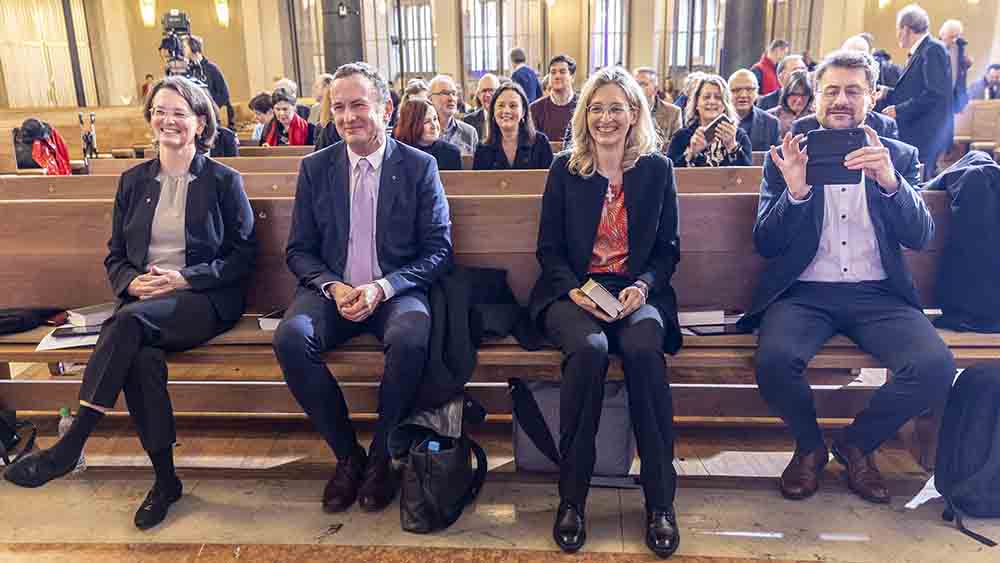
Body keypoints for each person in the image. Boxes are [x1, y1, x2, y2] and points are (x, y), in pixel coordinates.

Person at [3, 76, 257, 530]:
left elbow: (242, 258)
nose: (167, 120)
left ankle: (71, 443)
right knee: (138, 355)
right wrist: (132, 284)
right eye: (160, 111)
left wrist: (183, 277)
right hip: (143, 307)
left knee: (125, 327)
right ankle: (165, 481)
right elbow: (116, 255)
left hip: (203, 300)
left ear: (200, 122)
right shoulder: (133, 180)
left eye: (179, 112)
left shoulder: (223, 181)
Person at [746, 50, 955, 505]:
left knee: (935, 366)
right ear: (815, 98)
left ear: (873, 97)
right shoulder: (787, 154)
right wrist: (796, 194)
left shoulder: (898, 155)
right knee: (774, 361)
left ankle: (858, 442)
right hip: (804, 293)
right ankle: (809, 447)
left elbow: (918, 235)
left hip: (878, 294)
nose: (841, 99)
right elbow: (765, 242)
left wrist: (890, 182)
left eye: (853, 91)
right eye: (832, 90)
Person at [273, 62, 452, 516]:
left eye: (358, 105)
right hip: (331, 290)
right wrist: (333, 286)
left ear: (385, 108)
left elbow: (437, 250)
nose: (348, 116)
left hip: (394, 290)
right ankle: (347, 456)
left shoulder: (418, 167)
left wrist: (383, 287)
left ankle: (381, 458)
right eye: (338, 107)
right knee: (291, 338)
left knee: (412, 335)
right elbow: (298, 250)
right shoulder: (316, 168)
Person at [530, 65, 681, 558]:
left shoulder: (656, 168)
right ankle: (572, 499)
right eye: (596, 108)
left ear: (634, 112)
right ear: (584, 114)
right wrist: (572, 290)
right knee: (590, 350)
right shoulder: (565, 168)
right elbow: (548, 249)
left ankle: (660, 502)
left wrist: (643, 285)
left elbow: (667, 250)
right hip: (573, 292)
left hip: (637, 292)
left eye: (616, 107)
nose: (606, 117)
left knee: (642, 349)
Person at [880, 3, 953, 180]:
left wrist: (899, 110)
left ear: (906, 29)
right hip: (919, 132)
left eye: (898, 29)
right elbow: (915, 90)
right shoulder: (923, 50)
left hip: (926, 134)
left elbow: (935, 94)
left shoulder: (932, 49)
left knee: (922, 187)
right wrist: (887, 93)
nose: (897, 34)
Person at [666, 74, 752, 168]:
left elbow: (747, 177)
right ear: (696, 104)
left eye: (718, 97)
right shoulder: (681, 136)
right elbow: (670, 175)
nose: (712, 101)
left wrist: (732, 147)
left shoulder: (739, 136)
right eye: (706, 97)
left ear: (724, 105)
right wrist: (692, 152)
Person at [472, 82, 553, 170]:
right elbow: (477, 183)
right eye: (501, 105)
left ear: (523, 112)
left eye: (513, 106)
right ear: (493, 111)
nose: (506, 110)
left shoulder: (540, 143)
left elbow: (551, 181)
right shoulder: (482, 149)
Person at [394, 98, 462, 171]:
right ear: (411, 124)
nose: (434, 126)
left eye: (435, 119)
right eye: (426, 121)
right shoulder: (397, 151)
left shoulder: (451, 152)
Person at [183, 36, 234, 129]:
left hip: (211, 119)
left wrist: (210, 108)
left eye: (185, 47)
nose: (182, 50)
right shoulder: (186, 71)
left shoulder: (212, 69)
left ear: (194, 47)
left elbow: (224, 94)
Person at [728, 69, 781, 151]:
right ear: (727, 93)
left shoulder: (771, 123)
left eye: (749, 89)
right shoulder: (716, 121)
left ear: (757, 92)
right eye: (737, 90)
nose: (743, 95)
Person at [530, 55, 579, 141]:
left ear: (572, 77)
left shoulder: (583, 105)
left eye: (562, 72)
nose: (557, 76)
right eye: (553, 72)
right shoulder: (535, 109)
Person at [634, 67, 683, 150]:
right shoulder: (627, 111)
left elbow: (677, 147)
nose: (638, 89)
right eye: (635, 85)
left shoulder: (673, 112)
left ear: (655, 89)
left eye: (643, 84)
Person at [429, 75, 478, 155]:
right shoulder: (423, 132)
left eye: (454, 93)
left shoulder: (469, 133)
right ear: (430, 99)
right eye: (445, 93)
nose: (451, 98)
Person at [766, 70, 814, 137]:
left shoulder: (817, 118)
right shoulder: (769, 117)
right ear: (786, 94)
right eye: (795, 94)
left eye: (804, 94)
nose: (799, 100)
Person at [939, 19, 972, 113]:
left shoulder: (960, 46)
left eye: (957, 36)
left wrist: (966, 64)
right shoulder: (934, 49)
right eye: (951, 36)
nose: (954, 40)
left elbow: (959, 71)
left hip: (956, 97)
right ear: (942, 35)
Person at [463, 73, 499, 139]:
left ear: (499, 93)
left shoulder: (505, 118)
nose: (487, 95)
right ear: (479, 95)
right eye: (484, 91)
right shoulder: (468, 121)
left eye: (491, 90)